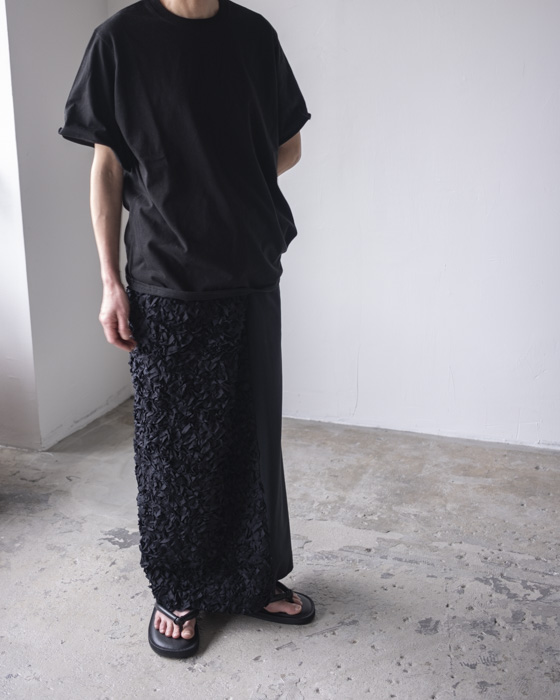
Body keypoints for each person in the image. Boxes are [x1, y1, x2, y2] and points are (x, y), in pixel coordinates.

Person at [58, 0, 314, 659]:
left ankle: (250, 578)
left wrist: (225, 180)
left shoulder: (254, 36)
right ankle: (178, 588)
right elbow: (106, 167)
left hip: (249, 266)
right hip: (163, 276)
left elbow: (289, 143)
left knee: (251, 438)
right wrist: (110, 282)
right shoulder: (119, 40)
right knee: (173, 449)